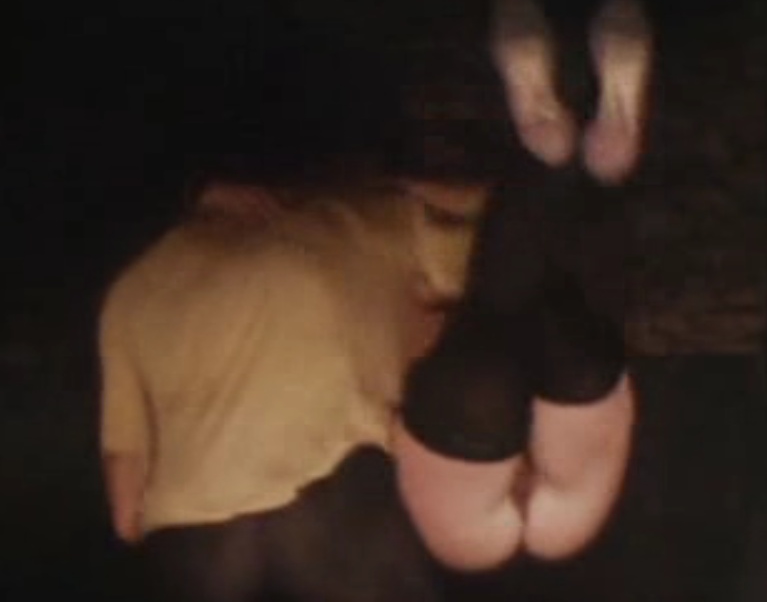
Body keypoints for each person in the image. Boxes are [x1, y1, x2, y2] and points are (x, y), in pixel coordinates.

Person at [98, 163, 495, 601]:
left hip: (193, 541)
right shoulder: (364, 221)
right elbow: (494, 253)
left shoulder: (134, 288)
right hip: (331, 502)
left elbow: (125, 490)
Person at [392, 0, 654, 570]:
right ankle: (546, 145)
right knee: (496, 308)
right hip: (464, 537)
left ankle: (604, 162)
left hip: (581, 524)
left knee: (572, 302)